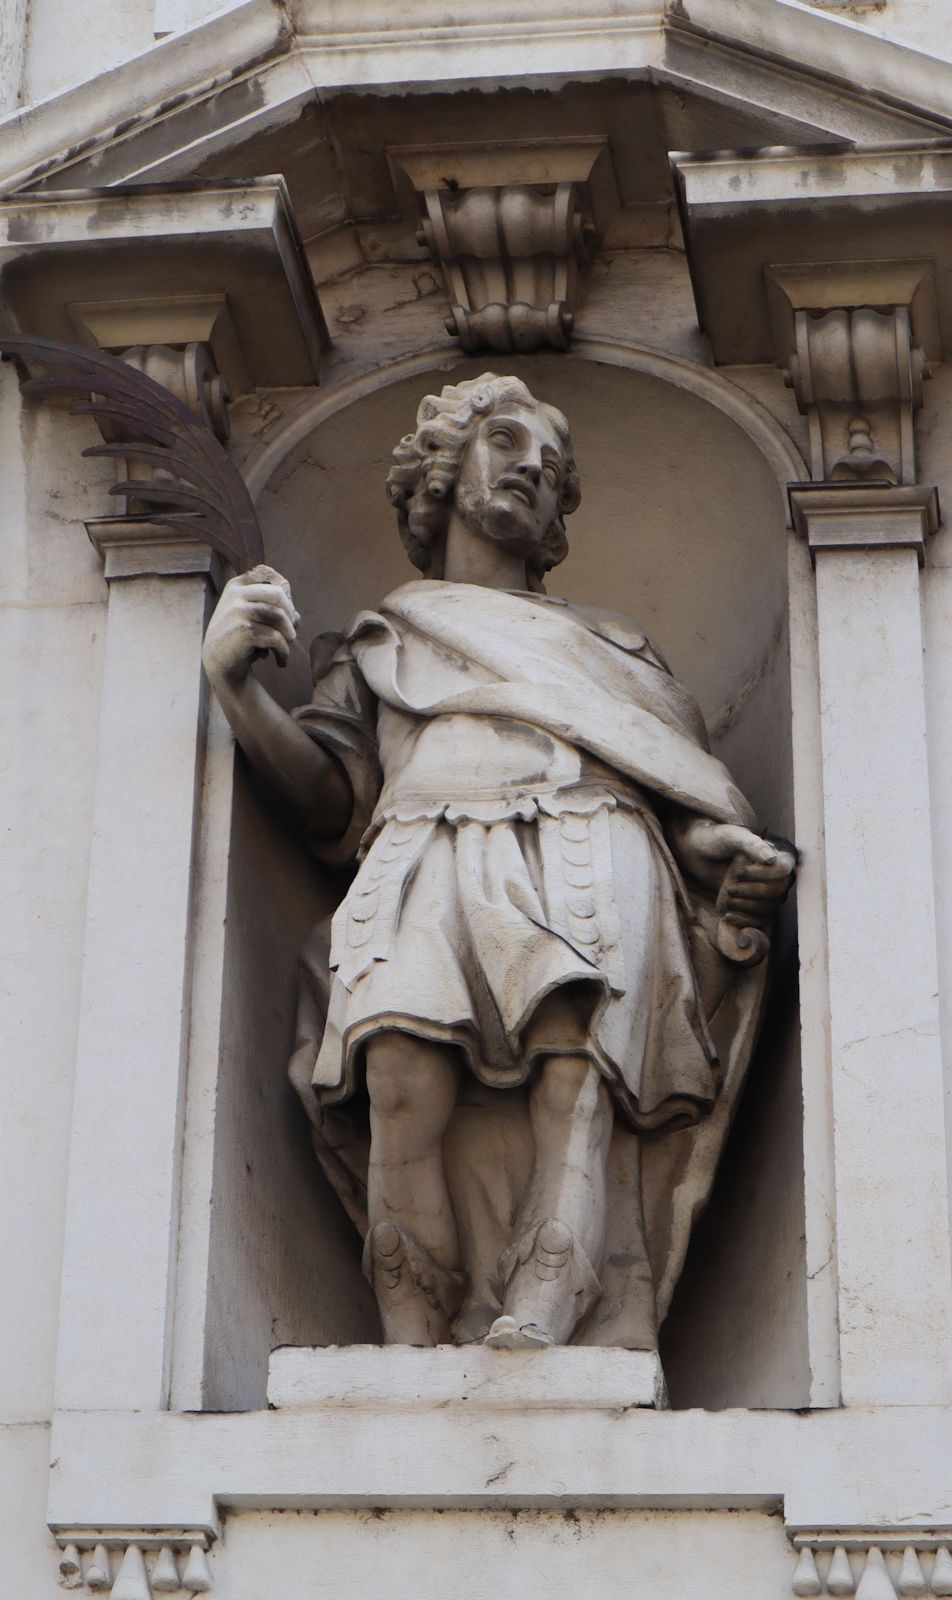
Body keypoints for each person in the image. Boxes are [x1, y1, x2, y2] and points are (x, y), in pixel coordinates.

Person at [201, 374, 795, 1351]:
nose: (530, 469)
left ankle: (552, 1309)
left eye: (553, 469)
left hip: (584, 837)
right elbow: (326, 796)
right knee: (395, 1076)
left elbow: (664, 774)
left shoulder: (609, 645)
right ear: (442, 468)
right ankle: (412, 1337)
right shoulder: (383, 638)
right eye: (507, 440)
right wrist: (235, 689)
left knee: (575, 1066)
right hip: (419, 845)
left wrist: (710, 847)